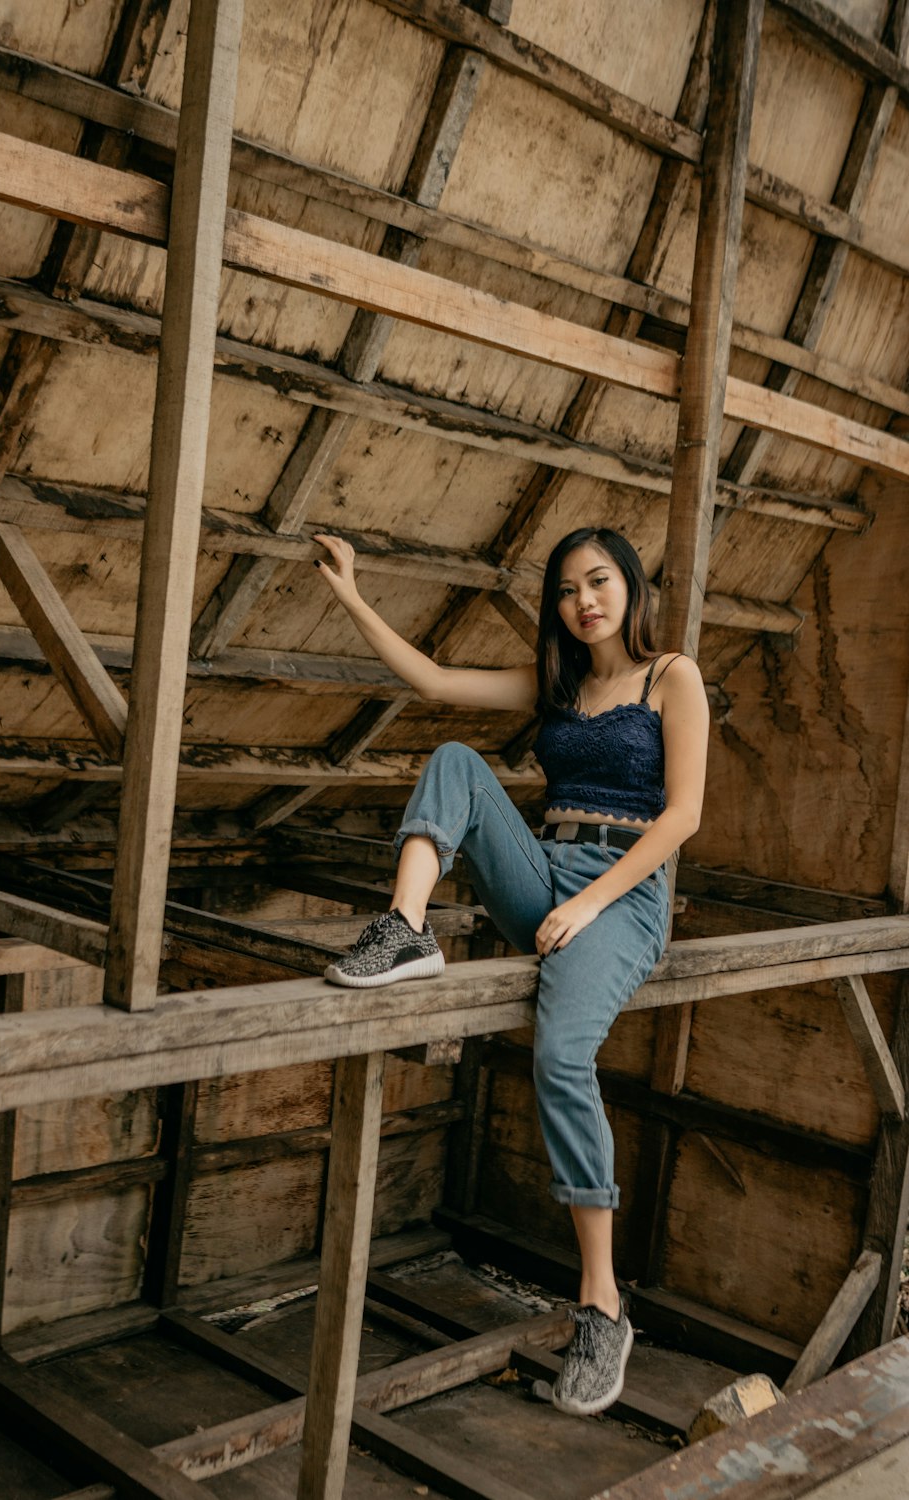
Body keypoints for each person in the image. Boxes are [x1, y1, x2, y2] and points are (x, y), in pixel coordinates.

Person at [312, 526, 709, 1417]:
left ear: (629, 587)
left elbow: (682, 816)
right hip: (541, 868)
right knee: (455, 757)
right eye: (567, 590)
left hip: (623, 891)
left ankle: (602, 1305)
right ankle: (405, 929)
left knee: (561, 1059)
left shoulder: (670, 678)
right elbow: (434, 683)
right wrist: (350, 594)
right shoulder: (560, 687)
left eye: (598, 582)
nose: (584, 602)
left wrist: (594, 902)